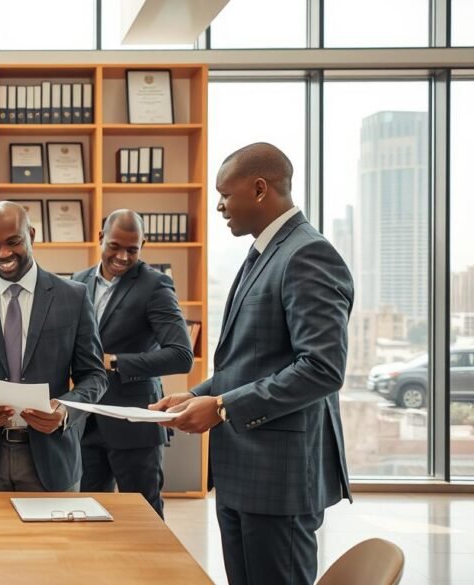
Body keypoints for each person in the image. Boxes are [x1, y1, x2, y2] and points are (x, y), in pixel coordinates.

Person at [150, 143, 353, 585]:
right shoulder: (264, 253)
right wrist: (198, 394)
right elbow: (250, 361)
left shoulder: (306, 254)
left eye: (225, 193)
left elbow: (321, 368)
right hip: (243, 469)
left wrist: (223, 408)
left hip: (279, 477)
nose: (219, 205)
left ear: (260, 188)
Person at [0, 201, 108, 492]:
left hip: (52, 457)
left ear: (31, 234)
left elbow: (94, 376)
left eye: (13, 241)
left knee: (53, 540)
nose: (3, 253)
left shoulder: (73, 297)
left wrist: (64, 410)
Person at [72, 209, 193, 518]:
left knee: (144, 517)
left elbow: (181, 355)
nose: (123, 257)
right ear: (100, 238)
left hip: (134, 423)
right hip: (86, 420)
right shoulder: (78, 281)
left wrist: (115, 362)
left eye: (132, 249)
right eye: (115, 246)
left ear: (143, 245)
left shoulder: (156, 285)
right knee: (87, 514)